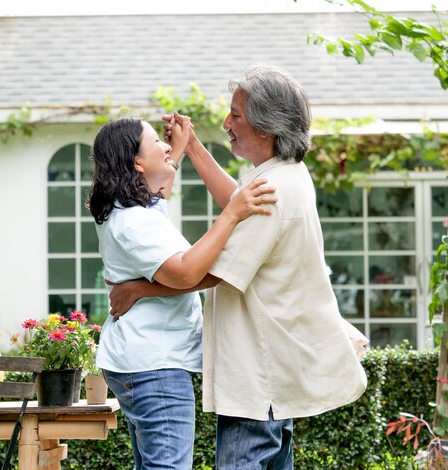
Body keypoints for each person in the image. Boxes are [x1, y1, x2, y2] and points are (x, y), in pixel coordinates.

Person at [108, 65, 367, 469]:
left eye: (236, 115)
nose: (226, 122)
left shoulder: (275, 190)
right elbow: (236, 199)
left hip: (256, 382)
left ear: (266, 128)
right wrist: (191, 147)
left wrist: (140, 288)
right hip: (271, 379)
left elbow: (206, 272)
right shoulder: (283, 176)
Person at [87, 117, 276, 470]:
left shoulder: (133, 205)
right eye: (155, 142)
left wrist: (182, 145)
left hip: (140, 358)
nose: (164, 147)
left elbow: (162, 188)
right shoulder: (135, 223)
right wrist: (232, 213)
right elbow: (189, 271)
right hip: (154, 364)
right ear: (136, 163)